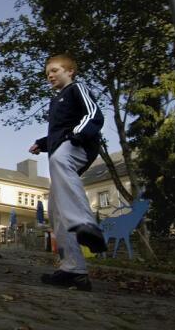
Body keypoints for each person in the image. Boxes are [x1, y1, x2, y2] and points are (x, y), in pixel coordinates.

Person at [29, 54, 106, 292]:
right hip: (61, 147)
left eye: (54, 70)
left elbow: (94, 114)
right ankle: (74, 270)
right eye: (47, 73)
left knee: (61, 160)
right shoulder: (56, 101)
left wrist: (78, 135)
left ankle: (87, 225)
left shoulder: (76, 89)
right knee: (56, 210)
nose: (50, 75)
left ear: (70, 71)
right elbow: (58, 130)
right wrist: (43, 143)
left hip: (79, 144)